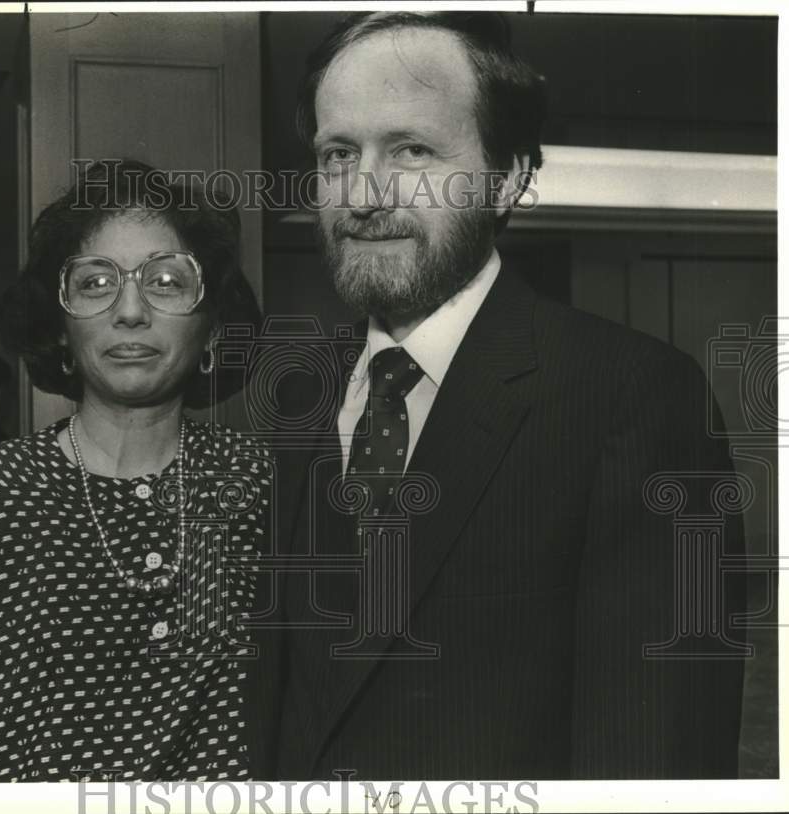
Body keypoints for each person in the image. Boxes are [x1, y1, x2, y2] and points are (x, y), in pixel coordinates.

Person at [248, 11, 746, 780]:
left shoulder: (633, 398)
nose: (364, 192)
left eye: (412, 149)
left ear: (508, 175)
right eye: (338, 153)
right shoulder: (295, 395)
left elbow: (659, 753)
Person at [0, 159, 269, 781]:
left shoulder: (267, 487)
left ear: (214, 325)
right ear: (59, 327)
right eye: (95, 283)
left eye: (166, 281)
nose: (130, 311)